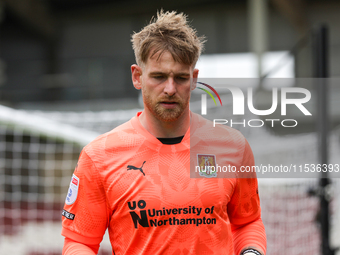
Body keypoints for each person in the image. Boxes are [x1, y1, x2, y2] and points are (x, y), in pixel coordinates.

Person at [61, 10, 267, 255]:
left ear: (194, 79)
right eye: (158, 76)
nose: (170, 89)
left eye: (181, 78)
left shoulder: (233, 147)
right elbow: (79, 242)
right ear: (137, 76)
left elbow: (247, 222)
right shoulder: (99, 156)